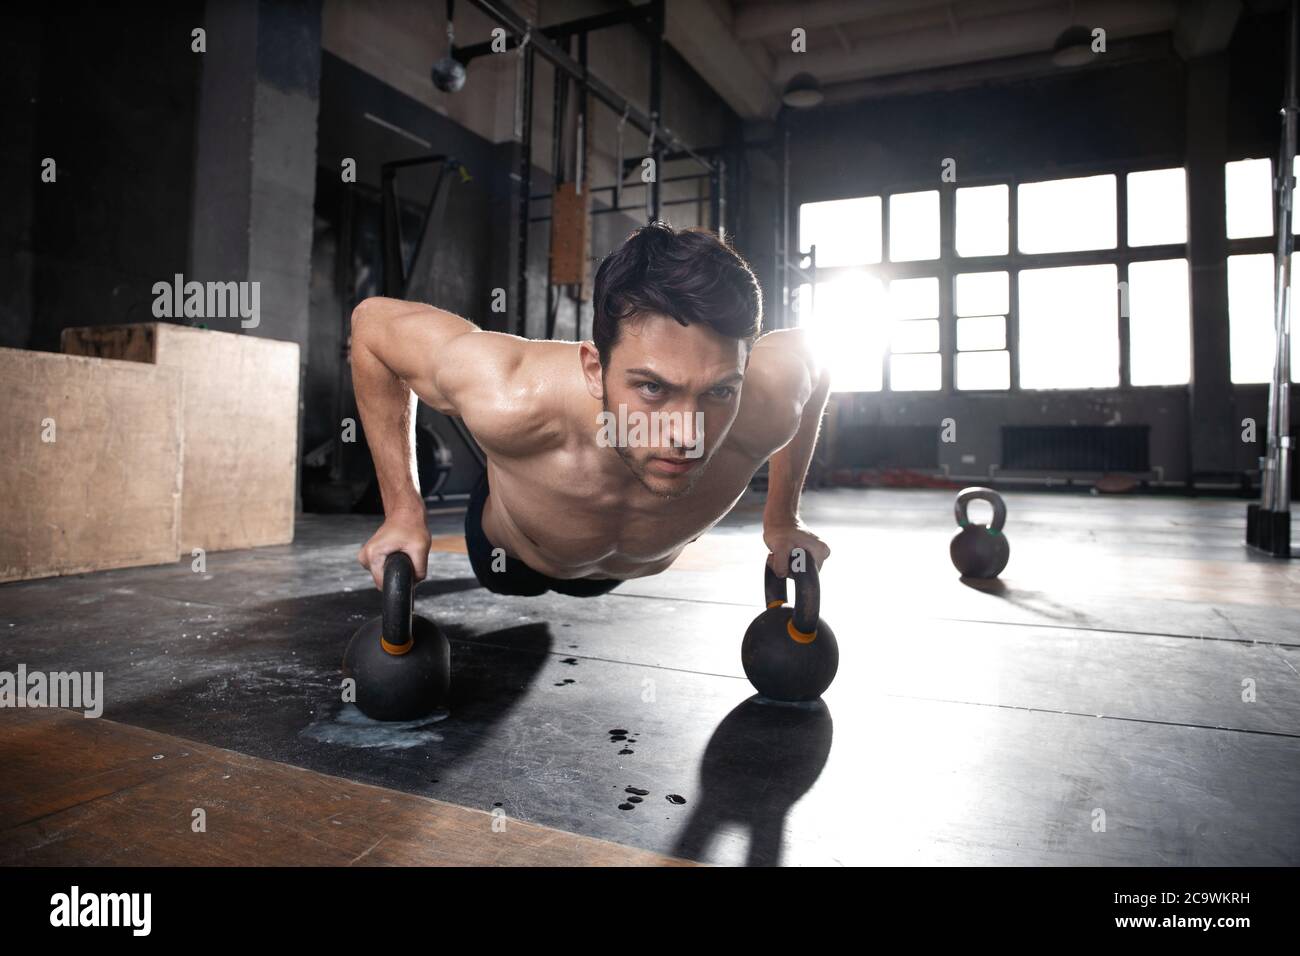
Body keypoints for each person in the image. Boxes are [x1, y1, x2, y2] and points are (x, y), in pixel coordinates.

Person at [352, 221, 831, 596]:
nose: (687, 435)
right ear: (592, 367)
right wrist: (402, 512)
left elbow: (821, 359)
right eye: (652, 388)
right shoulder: (510, 391)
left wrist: (784, 518)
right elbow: (372, 324)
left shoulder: (767, 396)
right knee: (506, 567)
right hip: (512, 558)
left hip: (624, 568)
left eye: (719, 392)